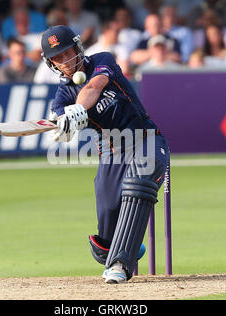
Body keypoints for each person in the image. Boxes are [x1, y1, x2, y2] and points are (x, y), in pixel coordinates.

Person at [40, 25, 170, 283]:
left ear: (78, 48)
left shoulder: (102, 60)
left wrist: (78, 109)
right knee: (106, 236)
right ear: (51, 63)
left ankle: (121, 264)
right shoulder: (63, 94)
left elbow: (94, 87)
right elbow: (62, 123)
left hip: (146, 139)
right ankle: (124, 249)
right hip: (111, 152)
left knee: (138, 182)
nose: (65, 61)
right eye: (58, 58)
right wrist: (64, 126)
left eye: (68, 53)